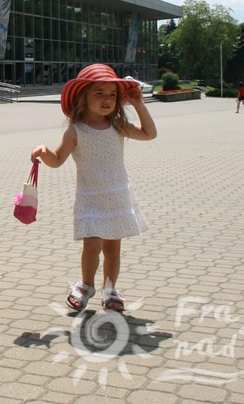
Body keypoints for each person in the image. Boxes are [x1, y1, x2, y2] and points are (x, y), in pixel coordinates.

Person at [30, 64, 156, 312]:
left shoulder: (118, 125)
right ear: (82, 97)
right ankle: (86, 286)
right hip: (90, 198)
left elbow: (149, 134)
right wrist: (44, 151)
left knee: (112, 248)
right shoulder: (75, 131)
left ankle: (110, 290)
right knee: (92, 245)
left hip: (117, 196)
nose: (107, 99)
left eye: (112, 94)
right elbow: (57, 161)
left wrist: (139, 104)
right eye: (99, 93)